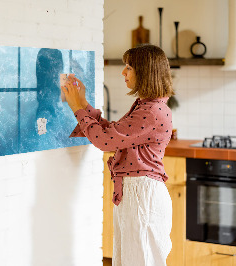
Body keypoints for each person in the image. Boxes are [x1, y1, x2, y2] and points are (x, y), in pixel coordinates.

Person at [62, 44, 174, 266]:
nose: (123, 72)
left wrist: (77, 108)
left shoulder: (151, 111)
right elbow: (112, 133)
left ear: (145, 72)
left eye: (129, 67)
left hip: (142, 195)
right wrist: (83, 103)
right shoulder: (147, 106)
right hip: (137, 193)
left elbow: (105, 141)